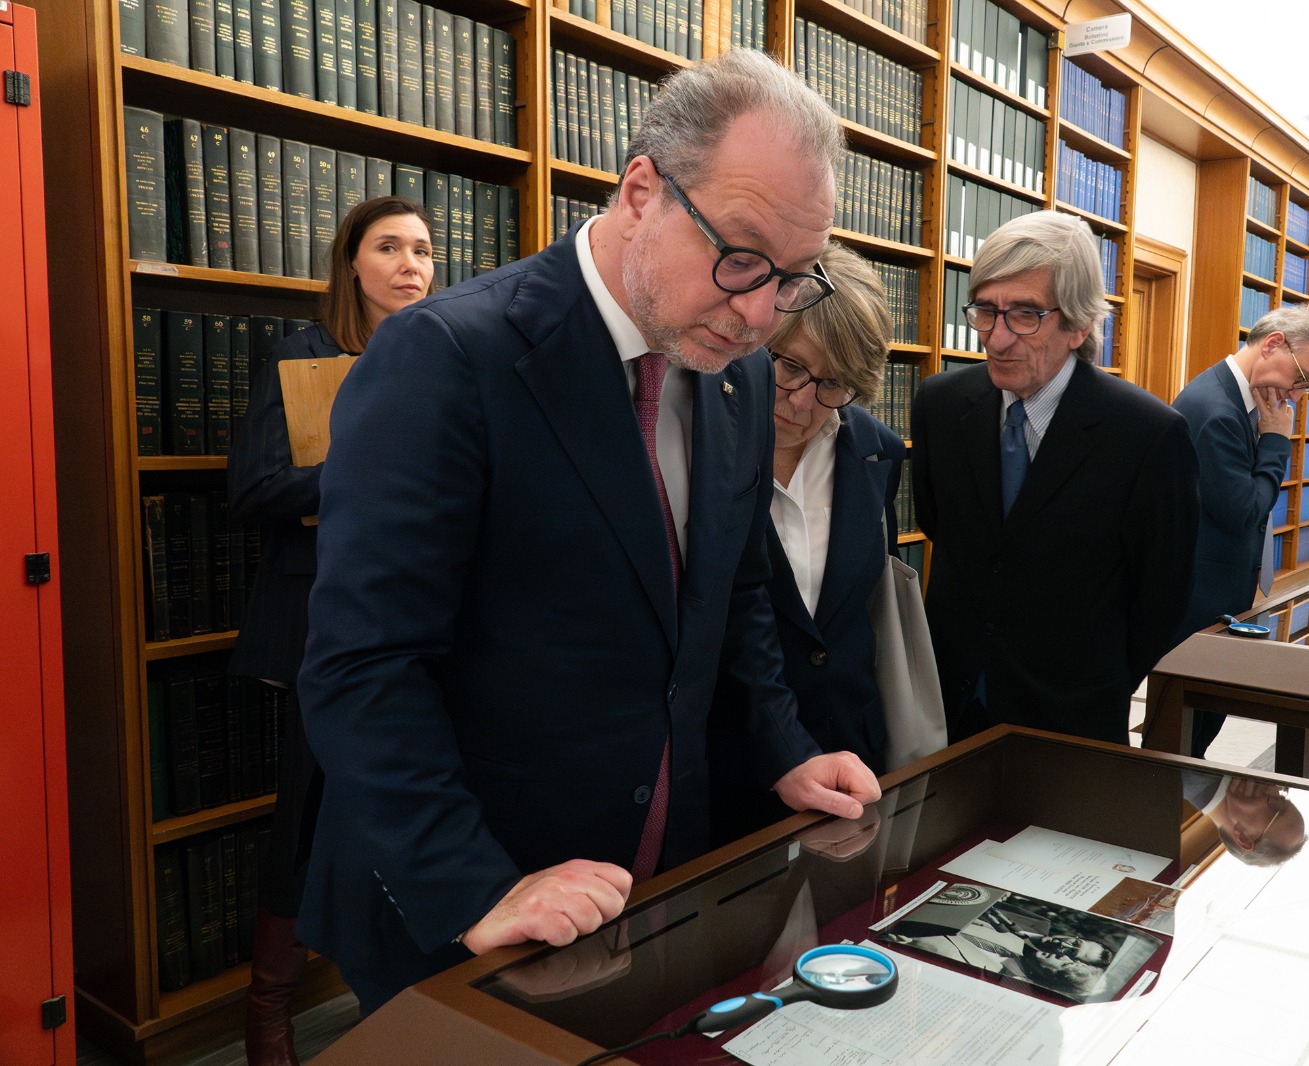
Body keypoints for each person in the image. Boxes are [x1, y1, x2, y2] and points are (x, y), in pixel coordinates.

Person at [294, 50, 880, 1012]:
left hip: (657, 884)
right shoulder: (444, 357)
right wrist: (475, 886)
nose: (760, 312)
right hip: (482, 897)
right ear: (642, 192)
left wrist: (783, 748)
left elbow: (731, 595)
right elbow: (365, 664)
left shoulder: (740, 373)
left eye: (792, 278)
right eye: (739, 257)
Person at [227, 195, 436, 1065]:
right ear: (351, 262)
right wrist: (366, 470)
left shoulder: (447, 356)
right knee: (309, 811)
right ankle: (268, 1012)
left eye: (422, 249)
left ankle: (391, 1008)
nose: (410, 264)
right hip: (326, 627)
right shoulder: (302, 357)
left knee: (408, 810)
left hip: (426, 623)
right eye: (388, 247)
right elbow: (254, 491)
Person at [910, 211, 1200, 747]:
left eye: (1025, 314)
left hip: (1071, 718)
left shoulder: (1147, 434)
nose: (997, 339)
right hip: (947, 704)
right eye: (986, 311)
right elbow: (939, 526)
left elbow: (1161, 600)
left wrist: (1094, 684)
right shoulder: (940, 404)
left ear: (1079, 324)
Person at [708, 243, 911, 845]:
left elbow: (859, 607)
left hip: (850, 755)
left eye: (833, 384)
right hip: (728, 761)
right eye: (790, 366)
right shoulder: (708, 439)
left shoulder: (877, 451)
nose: (801, 400)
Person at [1170, 305, 1309, 756]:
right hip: (1199, 595)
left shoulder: (1238, 400)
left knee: (1200, 726)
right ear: (1273, 344)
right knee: (1186, 733)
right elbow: (1243, 511)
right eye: (1301, 378)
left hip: (1215, 589)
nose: (1297, 396)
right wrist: (1277, 440)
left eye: (1308, 387)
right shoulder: (1217, 410)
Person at [1181, 771, 1306, 867]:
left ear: (1243, 837)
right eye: (1281, 798)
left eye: (1275, 807)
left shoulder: (1185, 773)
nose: (1273, 788)